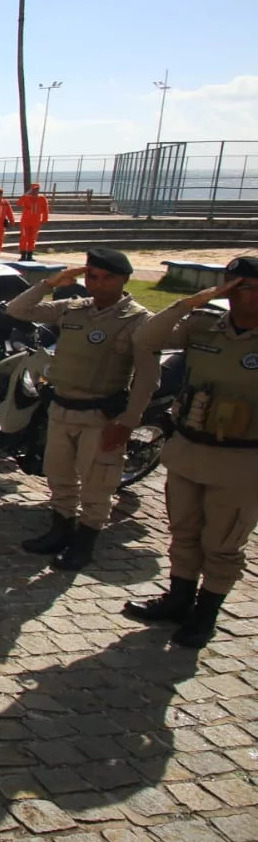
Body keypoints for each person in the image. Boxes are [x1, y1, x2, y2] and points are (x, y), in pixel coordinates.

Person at [124, 255, 258, 647]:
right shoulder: (204, 326)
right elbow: (146, 338)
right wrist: (191, 302)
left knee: (222, 544)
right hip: (188, 450)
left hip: (241, 461)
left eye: (247, 287)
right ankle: (178, 598)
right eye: (232, 286)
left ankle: (206, 613)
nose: (237, 296)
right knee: (183, 533)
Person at [6, 249, 155, 571]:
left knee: (97, 483)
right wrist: (51, 283)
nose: (98, 285)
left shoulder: (138, 320)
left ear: (125, 279)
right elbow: (18, 309)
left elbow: (147, 378)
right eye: (92, 277)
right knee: (59, 475)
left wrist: (128, 423)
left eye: (107, 278)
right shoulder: (73, 308)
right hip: (61, 407)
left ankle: (84, 544)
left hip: (101, 415)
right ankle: (60, 530)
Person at [17, 183, 49, 261]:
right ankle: (23, 256)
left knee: (32, 239)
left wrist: (45, 219)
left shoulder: (42, 199)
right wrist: (27, 193)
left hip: (35, 222)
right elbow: (19, 203)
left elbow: (45, 210)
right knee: (24, 239)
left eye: (37, 189)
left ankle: (30, 256)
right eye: (34, 189)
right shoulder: (26, 198)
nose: (35, 191)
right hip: (25, 222)